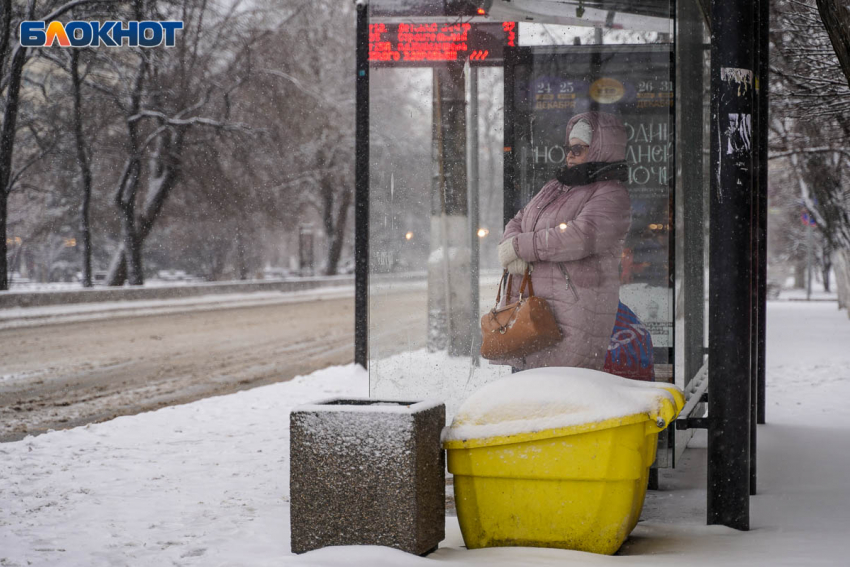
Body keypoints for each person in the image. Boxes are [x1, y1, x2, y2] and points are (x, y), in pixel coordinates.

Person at [497, 111, 631, 371]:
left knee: (565, 392)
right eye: (568, 148)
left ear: (599, 149)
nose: (570, 155)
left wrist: (519, 247)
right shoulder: (557, 185)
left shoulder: (611, 194)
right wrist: (512, 244)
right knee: (534, 392)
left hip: (575, 309)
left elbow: (580, 236)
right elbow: (520, 218)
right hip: (538, 306)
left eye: (578, 149)